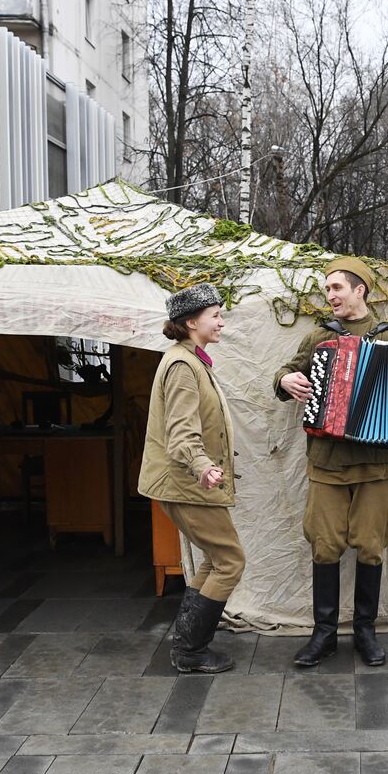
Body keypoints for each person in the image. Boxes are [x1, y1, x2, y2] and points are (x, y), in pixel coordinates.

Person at [275, 257, 388, 667]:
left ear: (360, 291)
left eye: (337, 287)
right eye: (327, 288)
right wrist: (285, 380)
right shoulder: (320, 337)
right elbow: (287, 371)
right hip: (328, 462)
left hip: (379, 463)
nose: (330, 295)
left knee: (371, 546)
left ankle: (366, 631)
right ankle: (324, 634)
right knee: (324, 544)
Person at [139, 283, 243, 674]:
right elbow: (181, 435)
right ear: (190, 322)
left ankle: (187, 645)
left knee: (216, 559)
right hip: (187, 485)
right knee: (230, 561)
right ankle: (190, 652)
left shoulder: (191, 359)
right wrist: (203, 466)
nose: (221, 321)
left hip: (188, 484)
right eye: (215, 315)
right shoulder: (182, 366)